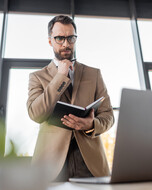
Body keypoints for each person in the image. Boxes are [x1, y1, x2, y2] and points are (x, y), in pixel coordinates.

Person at [27, 15, 114, 181]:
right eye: (59, 38)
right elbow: (35, 114)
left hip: (90, 162)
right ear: (50, 41)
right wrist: (60, 76)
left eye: (70, 38)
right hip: (50, 165)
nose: (66, 44)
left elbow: (108, 115)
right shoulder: (37, 77)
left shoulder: (94, 74)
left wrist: (91, 124)